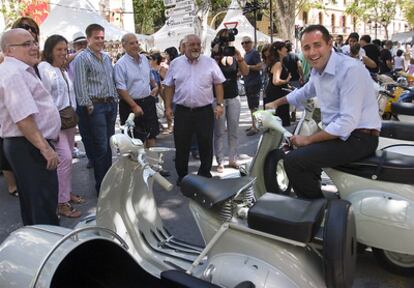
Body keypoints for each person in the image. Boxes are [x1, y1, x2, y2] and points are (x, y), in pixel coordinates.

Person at [265, 24, 381, 199]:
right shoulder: (318, 71)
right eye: (306, 47)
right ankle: (317, 198)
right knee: (303, 155)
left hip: (359, 138)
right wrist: (275, 103)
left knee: (294, 160)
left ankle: (314, 210)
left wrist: (308, 139)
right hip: (345, 136)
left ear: (329, 43)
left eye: (317, 45)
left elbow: (346, 123)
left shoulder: (350, 70)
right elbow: (304, 92)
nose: (312, 52)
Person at [0, 28, 60, 225]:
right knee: (41, 205)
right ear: (9, 50)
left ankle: (41, 246)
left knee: (36, 204)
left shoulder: (20, 69)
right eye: (26, 44)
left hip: (28, 144)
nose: (34, 47)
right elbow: (23, 117)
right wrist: (45, 148)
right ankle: (49, 250)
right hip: (28, 145)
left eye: (34, 42)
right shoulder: (12, 72)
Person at [163, 34, 225, 186]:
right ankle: (183, 176)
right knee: (181, 144)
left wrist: (219, 104)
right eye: (192, 44)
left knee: (205, 143)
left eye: (198, 44)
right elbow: (169, 86)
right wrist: (168, 106)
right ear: (184, 46)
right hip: (183, 111)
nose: (196, 47)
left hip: (204, 111)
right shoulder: (175, 64)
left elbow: (218, 83)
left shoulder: (210, 63)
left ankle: (204, 173)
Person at [38, 35, 83, 218]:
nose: (64, 53)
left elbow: (69, 96)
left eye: (66, 49)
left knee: (68, 158)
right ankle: (61, 202)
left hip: (68, 121)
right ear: (49, 51)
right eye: (59, 49)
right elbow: (43, 100)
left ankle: (66, 192)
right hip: (55, 123)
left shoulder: (62, 69)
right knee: (63, 159)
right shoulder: (44, 68)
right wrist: (51, 127)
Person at [74, 24, 118, 194]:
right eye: (96, 38)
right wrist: (89, 105)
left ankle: (108, 182)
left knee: (108, 145)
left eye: (102, 37)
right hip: (96, 107)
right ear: (88, 39)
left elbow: (110, 80)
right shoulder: (82, 58)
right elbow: (80, 85)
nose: (100, 40)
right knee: (101, 147)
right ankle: (102, 187)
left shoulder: (106, 57)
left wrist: (115, 99)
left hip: (110, 105)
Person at [211, 29, 249, 173]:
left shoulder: (234, 53)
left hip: (233, 96)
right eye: (224, 41)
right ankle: (220, 160)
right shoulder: (213, 55)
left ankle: (233, 159)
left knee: (233, 131)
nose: (227, 44)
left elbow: (245, 73)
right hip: (217, 98)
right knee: (219, 131)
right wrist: (215, 56)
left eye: (229, 41)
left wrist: (240, 59)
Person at [114, 33, 159, 147]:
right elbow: (120, 89)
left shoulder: (144, 59)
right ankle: (136, 165)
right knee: (133, 142)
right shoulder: (120, 64)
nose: (135, 45)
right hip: (130, 105)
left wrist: (155, 86)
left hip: (148, 102)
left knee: (151, 136)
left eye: (136, 42)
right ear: (124, 46)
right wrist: (134, 106)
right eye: (131, 43)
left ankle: (151, 165)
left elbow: (149, 76)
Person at [67, 32, 94, 168]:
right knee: (85, 130)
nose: (82, 46)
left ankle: (99, 157)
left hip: (93, 98)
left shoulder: (92, 56)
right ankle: (91, 157)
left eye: (84, 43)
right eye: (79, 44)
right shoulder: (70, 59)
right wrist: (78, 54)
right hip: (78, 100)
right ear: (74, 46)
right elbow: (63, 62)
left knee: (97, 129)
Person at [264, 41, 292, 127]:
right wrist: (287, 80)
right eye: (284, 48)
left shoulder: (275, 62)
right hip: (277, 94)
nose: (286, 49)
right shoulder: (278, 64)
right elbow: (276, 81)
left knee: (275, 122)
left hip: (274, 92)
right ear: (279, 51)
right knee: (280, 121)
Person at [242, 36, 262, 136]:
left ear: (252, 43)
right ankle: (254, 124)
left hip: (254, 83)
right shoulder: (246, 54)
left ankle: (256, 127)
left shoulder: (254, 53)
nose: (245, 44)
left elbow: (260, 66)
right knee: (251, 106)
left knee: (254, 106)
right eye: (243, 43)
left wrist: (248, 66)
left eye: (247, 42)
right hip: (248, 82)